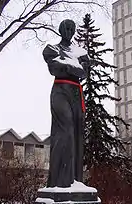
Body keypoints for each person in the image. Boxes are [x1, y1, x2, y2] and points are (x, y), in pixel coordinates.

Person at [43, 19, 90, 188]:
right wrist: (73, 66)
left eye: (72, 29)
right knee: (66, 131)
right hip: (60, 91)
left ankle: (75, 180)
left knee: (77, 134)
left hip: (76, 93)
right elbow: (54, 68)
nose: (69, 31)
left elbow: (83, 72)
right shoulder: (52, 49)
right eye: (66, 28)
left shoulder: (81, 52)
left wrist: (66, 64)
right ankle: (59, 181)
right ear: (61, 30)